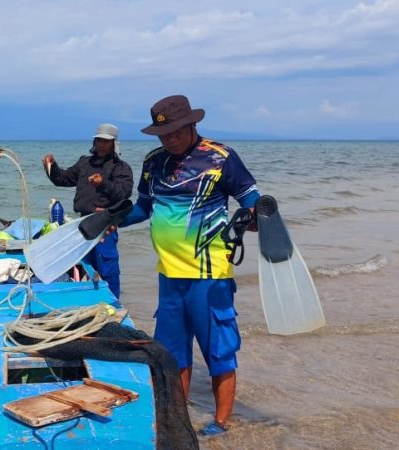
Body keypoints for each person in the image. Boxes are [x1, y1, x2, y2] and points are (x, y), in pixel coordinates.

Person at [120, 95, 261, 436]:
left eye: (175, 131)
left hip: (209, 277)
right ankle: (180, 420)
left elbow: (250, 198)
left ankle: (221, 423)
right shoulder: (154, 162)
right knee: (173, 353)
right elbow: (144, 208)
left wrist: (256, 216)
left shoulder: (220, 157)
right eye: (162, 133)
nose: (169, 138)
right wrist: (112, 218)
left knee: (219, 353)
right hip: (169, 276)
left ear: (191, 125)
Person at [42, 123, 133, 299]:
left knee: (107, 266)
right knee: (85, 267)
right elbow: (64, 179)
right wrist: (51, 167)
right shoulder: (85, 162)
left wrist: (103, 183)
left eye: (105, 141)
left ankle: (113, 302)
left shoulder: (121, 168)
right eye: (98, 140)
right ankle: (89, 301)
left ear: (114, 143)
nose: (101, 144)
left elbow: (124, 194)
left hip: (106, 224)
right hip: (83, 223)